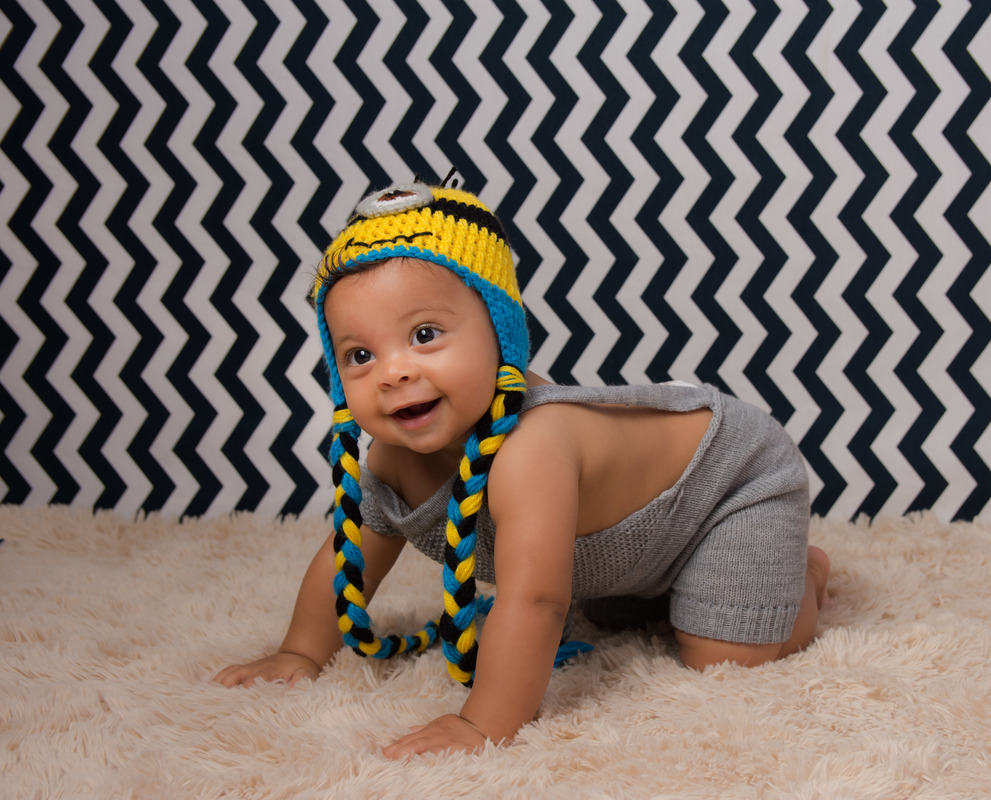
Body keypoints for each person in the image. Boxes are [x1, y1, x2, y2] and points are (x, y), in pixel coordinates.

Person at [214, 178, 829, 759]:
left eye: (424, 334)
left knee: (724, 656)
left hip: (728, 483)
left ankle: (801, 574)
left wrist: (482, 722)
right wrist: (300, 651)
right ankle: (682, 582)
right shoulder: (392, 460)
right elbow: (349, 557)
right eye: (359, 355)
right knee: (616, 613)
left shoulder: (531, 447)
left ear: (500, 330)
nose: (393, 372)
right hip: (639, 548)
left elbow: (536, 599)